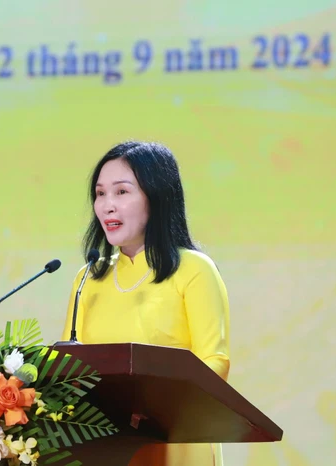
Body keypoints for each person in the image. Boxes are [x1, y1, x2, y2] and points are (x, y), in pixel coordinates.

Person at [60, 141, 231, 466]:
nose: (107, 205)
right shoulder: (88, 277)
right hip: (105, 444)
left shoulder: (193, 268)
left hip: (176, 438)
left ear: (157, 196)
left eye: (121, 192)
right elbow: (72, 366)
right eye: (100, 193)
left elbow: (215, 360)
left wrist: (156, 410)